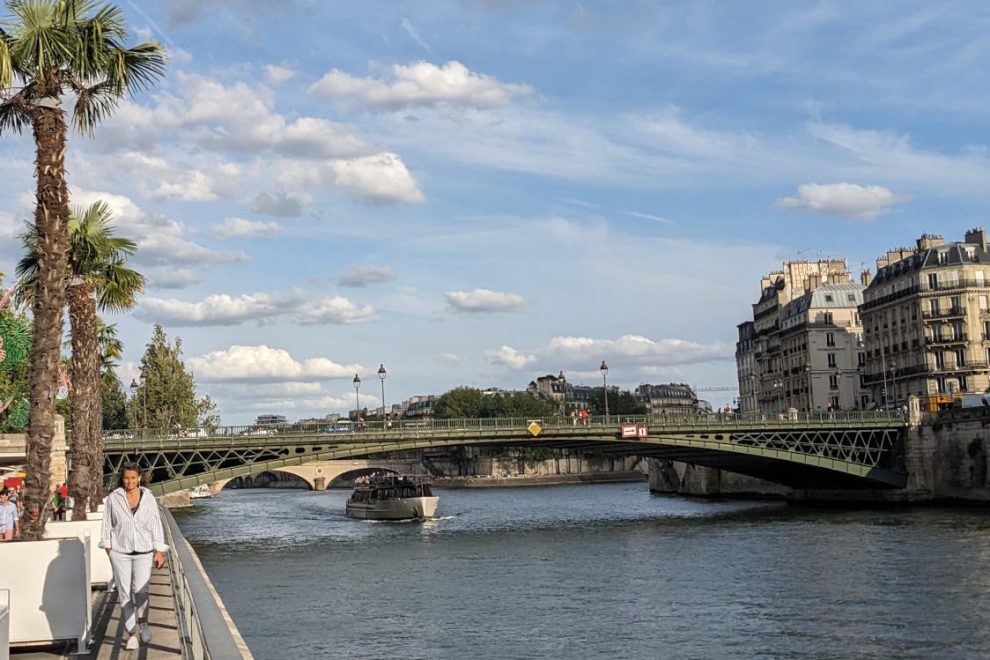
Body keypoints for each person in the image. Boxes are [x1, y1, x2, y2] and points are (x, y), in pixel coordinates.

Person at [100, 463, 168, 651]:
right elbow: (107, 525)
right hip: (120, 552)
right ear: (121, 479)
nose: (129, 481)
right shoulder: (114, 498)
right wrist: (109, 550)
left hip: (144, 552)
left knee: (142, 592)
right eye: (126, 478)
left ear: (139, 478)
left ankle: (144, 623)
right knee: (124, 594)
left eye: (132, 477)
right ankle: (131, 634)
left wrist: (159, 551)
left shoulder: (148, 498)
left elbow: (156, 524)